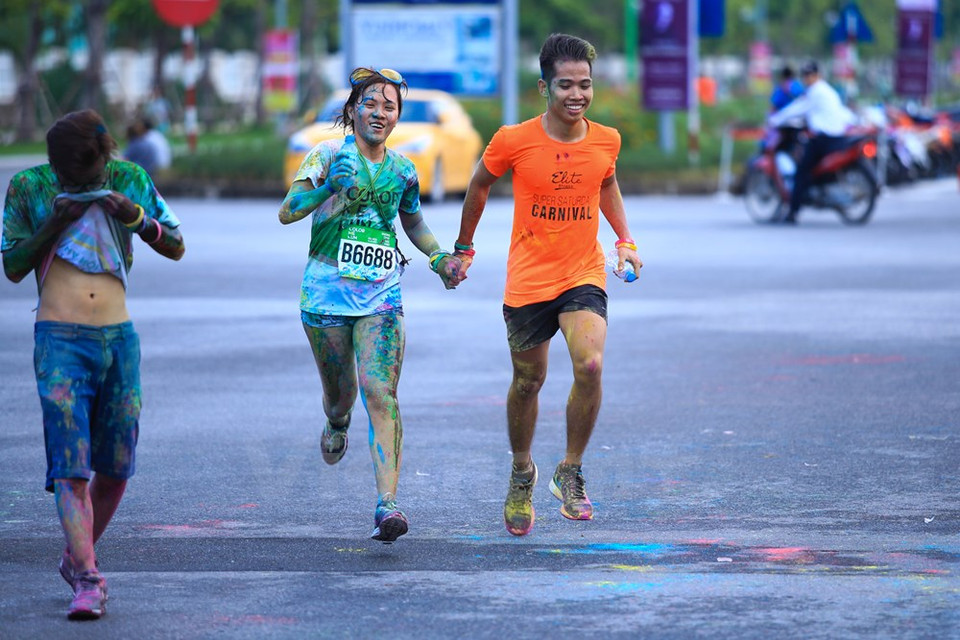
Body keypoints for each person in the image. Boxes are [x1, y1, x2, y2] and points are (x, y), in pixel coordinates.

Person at [453, 33, 642, 537]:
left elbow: (606, 182)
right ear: (544, 87)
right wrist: (464, 248)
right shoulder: (513, 140)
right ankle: (522, 472)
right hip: (529, 279)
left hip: (582, 273)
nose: (577, 94)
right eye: (565, 85)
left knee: (590, 364)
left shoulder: (607, 139)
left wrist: (625, 240)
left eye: (585, 84)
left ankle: (570, 470)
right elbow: (479, 184)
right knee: (528, 381)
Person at [1, 109, 185, 619]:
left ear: (106, 157)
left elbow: (176, 245)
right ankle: (87, 577)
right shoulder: (30, 187)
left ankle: (74, 555)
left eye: (87, 176)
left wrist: (134, 216)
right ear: (53, 164)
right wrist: (54, 221)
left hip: (118, 339)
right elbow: (12, 265)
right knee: (70, 466)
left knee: (116, 467)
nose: (78, 185)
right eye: (67, 176)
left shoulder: (130, 179)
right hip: (59, 340)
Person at [278, 67, 462, 543]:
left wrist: (439, 258)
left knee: (380, 393)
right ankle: (336, 419)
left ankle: (388, 505)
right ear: (353, 109)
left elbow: (413, 223)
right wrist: (327, 188)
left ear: (398, 116)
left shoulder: (403, 170)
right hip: (325, 297)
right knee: (342, 395)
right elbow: (287, 211)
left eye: (390, 106)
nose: (380, 113)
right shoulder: (326, 155)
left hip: (382, 296)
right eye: (371, 104)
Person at [768, 60, 857, 223]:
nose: (807, 78)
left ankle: (793, 212)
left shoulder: (815, 92)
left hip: (823, 139)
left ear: (818, 75)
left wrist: (775, 120)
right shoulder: (827, 90)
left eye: (810, 75)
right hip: (837, 137)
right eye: (805, 75)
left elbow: (797, 109)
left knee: (801, 172)